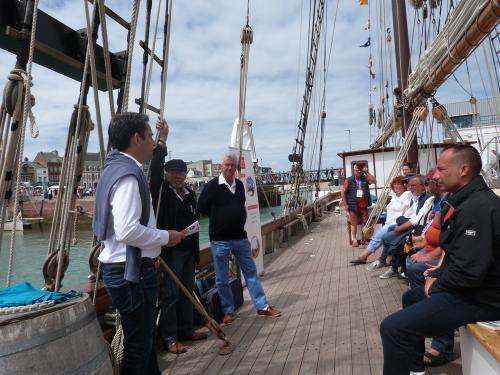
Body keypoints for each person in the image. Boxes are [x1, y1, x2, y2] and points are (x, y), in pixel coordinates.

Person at [380, 144, 500, 375]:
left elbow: (468, 272)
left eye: (442, 169)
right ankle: (415, 370)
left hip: (484, 298)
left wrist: (436, 285)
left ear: (463, 170)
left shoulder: (480, 208)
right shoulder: (466, 202)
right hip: (473, 290)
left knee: (393, 328)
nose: (436, 174)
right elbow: (456, 253)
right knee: (411, 297)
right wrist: (435, 273)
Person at [92, 112, 186, 375]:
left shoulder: (113, 169)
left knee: (144, 345)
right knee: (138, 347)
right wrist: (167, 236)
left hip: (124, 270)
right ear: (137, 138)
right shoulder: (128, 176)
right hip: (131, 275)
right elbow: (127, 230)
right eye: (149, 137)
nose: (153, 144)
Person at [197, 152, 281, 324]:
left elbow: (241, 205)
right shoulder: (212, 186)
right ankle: (228, 311)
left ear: (236, 168)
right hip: (219, 239)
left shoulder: (240, 186)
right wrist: (218, 216)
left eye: (232, 165)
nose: (229, 168)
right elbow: (201, 207)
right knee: (222, 279)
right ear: (221, 166)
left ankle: (262, 306)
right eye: (226, 165)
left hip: (240, 237)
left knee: (251, 273)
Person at [150, 118, 207, 355]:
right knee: (170, 295)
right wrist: (162, 139)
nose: (178, 176)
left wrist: (195, 252)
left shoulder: (190, 195)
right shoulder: (161, 191)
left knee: (187, 291)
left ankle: (186, 329)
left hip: (187, 252)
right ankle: (170, 337)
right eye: (173, 172)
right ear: (166, 175)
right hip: (169, 253)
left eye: (181, 172)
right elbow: (154, 167)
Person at [349, 176, 410, 265]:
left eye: (398, 185)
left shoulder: (407, 195)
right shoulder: (394, 196)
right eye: (394, 186)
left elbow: (407, 208)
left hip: (396, 223)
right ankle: (385, 258)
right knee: (379, 238)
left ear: (404, 186)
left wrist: (402, 221)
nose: (396, 187)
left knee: (378, 238)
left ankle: (363, 257)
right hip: (388, 223)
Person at [341, 162, 376, 247]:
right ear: (354, 171)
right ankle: (354, 240)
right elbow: (343, 193)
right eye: (357, 171)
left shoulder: (365, 178)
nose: (359, 172)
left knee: (365, 223)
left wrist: (367, 172)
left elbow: (374, 181)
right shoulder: (348, 180)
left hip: (363, 205)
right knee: (354, 224)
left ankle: (364, 239)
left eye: (360, 171)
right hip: (353, 206)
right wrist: (345, 205)